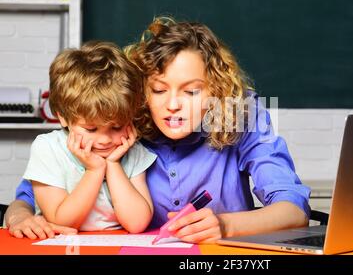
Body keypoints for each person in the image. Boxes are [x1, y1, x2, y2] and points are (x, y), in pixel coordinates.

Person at [6, 17, 311, 243]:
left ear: (217, 91)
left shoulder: (241, 114)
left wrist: (227, 225)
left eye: (191, 92)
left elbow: (294, 209)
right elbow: (30, 194)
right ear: (141, 93)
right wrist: (18, 215)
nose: (173, 105)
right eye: (159, 90)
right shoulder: (120, 122)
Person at [5, 41, 156, 238]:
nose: (104, 140)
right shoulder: (48, 148)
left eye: (116, 126)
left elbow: (137, 223)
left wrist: (113, 165)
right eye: (90, 128)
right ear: (63, 117)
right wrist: (94, 170)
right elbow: (61, 220)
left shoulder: (132, 151)